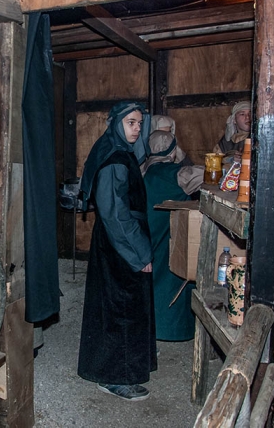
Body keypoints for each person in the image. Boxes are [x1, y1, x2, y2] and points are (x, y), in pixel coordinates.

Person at [77, 101, 156, 401]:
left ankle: (112, 369)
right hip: (120, 244)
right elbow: (115, 215)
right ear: (116, 124)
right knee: (122, 310)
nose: (136, 129)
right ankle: (116, 377)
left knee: (116, 308)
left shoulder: (117, 150)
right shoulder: (114, 159)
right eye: (131, 123)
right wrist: (140, 254)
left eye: (139, 123)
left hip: (117, 240)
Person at [142, 130, 204, 342]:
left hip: (148, 229)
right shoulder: (175, 173)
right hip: (168, 231)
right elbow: (204, 175)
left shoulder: (145, 170)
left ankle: (152, 326)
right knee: (173, 273)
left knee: (154, 275)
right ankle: (172, 329)